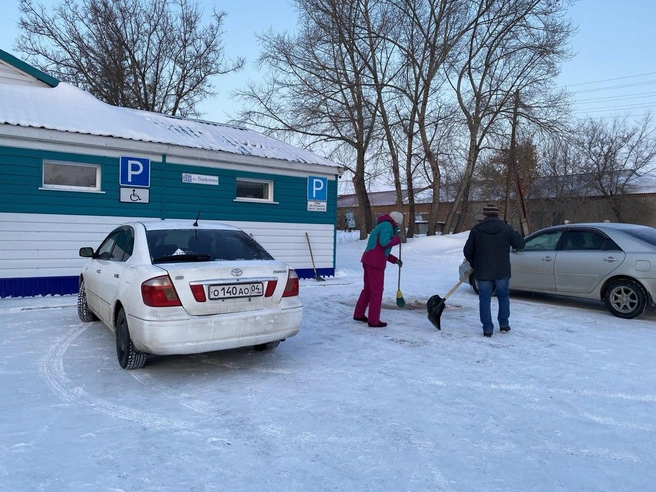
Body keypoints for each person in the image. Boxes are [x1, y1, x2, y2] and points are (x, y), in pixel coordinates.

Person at [463, 204, 525, 338]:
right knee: (503, 296)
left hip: (483, 271)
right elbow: (520, 244)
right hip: (502, 271)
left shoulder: (477, 230)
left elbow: (467, 250)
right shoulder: (507, 229)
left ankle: (487, 329)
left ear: (485, 215)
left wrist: (475, 263)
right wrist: (517, 233)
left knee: (484, 299)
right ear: (497, 215)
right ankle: (504, 324)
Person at [353, 211, 404, 328]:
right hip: (375, 264)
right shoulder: (388, 226)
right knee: (376, 291)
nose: (398, 227)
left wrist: (394, 260)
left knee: (368, 290)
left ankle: (359, 314)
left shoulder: (382, 225)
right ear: (396, 222)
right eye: (398, 224)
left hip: (368, 260)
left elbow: (379, 249)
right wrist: (398, 239)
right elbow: (384, 243)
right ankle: (374, 320)